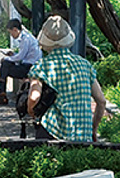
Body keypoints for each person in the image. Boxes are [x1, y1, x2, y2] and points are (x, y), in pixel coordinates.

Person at [26, 15, 107, 143]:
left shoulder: (42, 66)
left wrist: (31, 111)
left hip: (54, 130)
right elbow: (101, 101)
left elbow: (34, 97)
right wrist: (93, 129)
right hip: (83, 134)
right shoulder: (84, 64)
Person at [0, 18, 41, 105]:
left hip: (29, 68)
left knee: (5, 64)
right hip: (27, 65)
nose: (11, 35)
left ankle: (1, 94)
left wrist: (7, 58)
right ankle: (1, 93)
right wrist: (13, 55)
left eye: (11, 32)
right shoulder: (26, 37)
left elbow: (21, 57)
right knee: (5, 65)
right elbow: (22, 55)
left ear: (15, 30)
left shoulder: (26, 39)